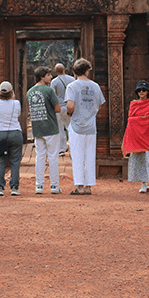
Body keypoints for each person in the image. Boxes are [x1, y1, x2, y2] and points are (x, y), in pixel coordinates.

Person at [65, 58, 105, 195]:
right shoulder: (95, 86)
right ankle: (89, 186)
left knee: (77, 156)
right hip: (91, 126)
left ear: (75, 71)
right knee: (90, 156)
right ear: (87, 70)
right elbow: (99, 106)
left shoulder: (72, 86)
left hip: (77, 125)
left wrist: (70, 113)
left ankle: (80, 186)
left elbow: (70, 105)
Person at [26, 66, 63, 194]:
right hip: (51, 128)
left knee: (40, 157)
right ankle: (54, 186)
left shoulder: (29, 92)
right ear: (42, 77)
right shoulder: (49, 91)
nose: (51, 77)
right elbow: (58, 109)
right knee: (53, 157)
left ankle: (39, 186)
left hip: (37, 127)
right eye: (48, 75)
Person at [122, 80, 149, 194]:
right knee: (140, 160)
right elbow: (130, 120)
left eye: (144, 90)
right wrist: (142, 120)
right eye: (139, 90)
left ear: (148, 91)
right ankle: (143, 183)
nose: (141, 92)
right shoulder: (133, 103)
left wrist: (139, 121)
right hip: (136, 136)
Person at [0, 81, 23, 196]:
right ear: (11, 92)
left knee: (1, 161)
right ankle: (14, 188)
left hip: (1, 134)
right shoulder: (16, 103)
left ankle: (0, 188)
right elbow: (18, 114)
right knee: (15, 162)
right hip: (15, 133)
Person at [51, 63, 75, 151]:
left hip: (59, 107)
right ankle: (73, 147)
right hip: (70, 106)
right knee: (71, 128)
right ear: (64, 69)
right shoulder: (72, 79)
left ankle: (62, 147)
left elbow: (53, 95)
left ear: (56, 71)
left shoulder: (54, 81)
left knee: (60, 128)